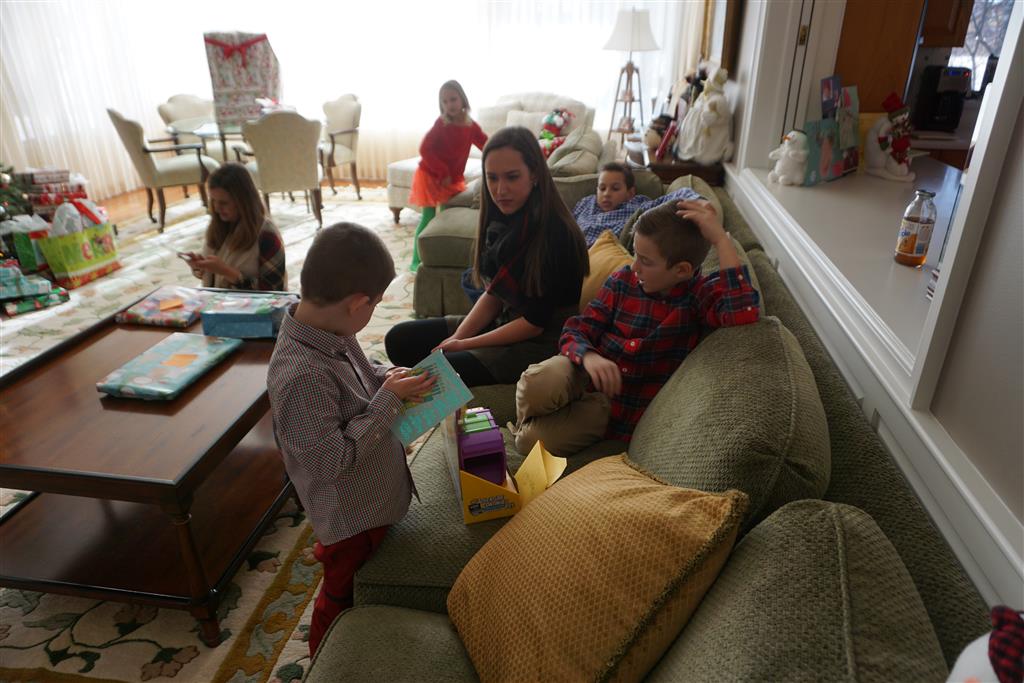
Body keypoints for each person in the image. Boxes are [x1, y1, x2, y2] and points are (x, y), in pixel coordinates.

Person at [267, 223, 436, 656]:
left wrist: (386, 377)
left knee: (366, 573)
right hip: (350, 520)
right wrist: (388, 401)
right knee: (340, 592)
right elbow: (331, 462)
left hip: (372, 500)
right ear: (358, 303)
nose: (373, 312)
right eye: (376, 304)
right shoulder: (301, 375)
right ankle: (326, 656)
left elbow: (362, 374)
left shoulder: (332, 330)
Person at [511, 199, 761, 456]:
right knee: (535, 383)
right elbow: (577, 328)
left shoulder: (697, 298)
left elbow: (742, 311)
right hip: (581, 369)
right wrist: (589, 357)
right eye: (635, 255)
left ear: (681, 270)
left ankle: (524, 428)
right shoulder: (623, 280)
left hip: (611, 408)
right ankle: (528, 418)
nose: (634, 267)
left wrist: (720, 239)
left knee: (528, 443)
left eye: (645, 261)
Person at [386, 126, 590, 387]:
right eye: (492, 178)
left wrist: (465, 345)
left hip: (539, 342)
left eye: (512, 177)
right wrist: (457, 339)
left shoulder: (556, 234)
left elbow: (534, 324)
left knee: (440, 375)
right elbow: (494, 295)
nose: (500, 189)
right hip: (505, 320)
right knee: (399, 339)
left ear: (535, 175)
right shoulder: (506, 217)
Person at [408, 80, 488, 272]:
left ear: (462, 100)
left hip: (451, 180)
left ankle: (439, 253)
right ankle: (416, 260)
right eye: (445, 101)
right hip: (431, 176)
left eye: (453, 99)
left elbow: (485, 143)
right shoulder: (441, 124)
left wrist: (498, 152)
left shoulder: (470, 125)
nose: (449, 104)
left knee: (445, 218)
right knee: (428, 217)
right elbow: (425, 149)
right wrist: (442, 171)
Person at [184, 162, 287, 291]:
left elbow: (274, 291)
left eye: (224, 202)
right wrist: (199, 266)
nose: (216, 208)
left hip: (250, 304)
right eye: (213, 200)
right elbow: (212, 280)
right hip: (217, 301)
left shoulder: (267, 235)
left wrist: (227, 272)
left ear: (243, 201)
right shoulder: (218, 226)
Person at [572, 161, 708, 247]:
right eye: (602, 188)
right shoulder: (586, 203)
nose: (606, 194)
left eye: (615, 188)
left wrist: (699, 201)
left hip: (606, 256)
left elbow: (673, 198)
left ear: (630, 193)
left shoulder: (637, 204)